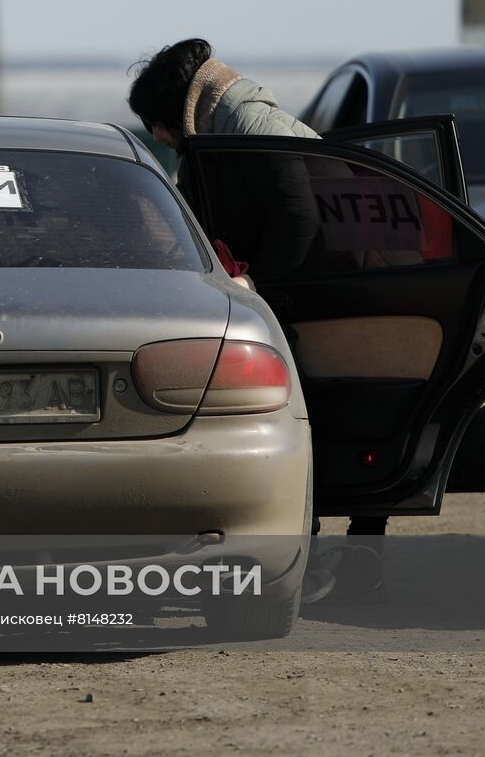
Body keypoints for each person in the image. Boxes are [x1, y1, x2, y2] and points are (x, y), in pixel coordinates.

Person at [128, 38, 386, 603]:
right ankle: (338, 550)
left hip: (324, 285)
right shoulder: (216, 127)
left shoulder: (242, 122)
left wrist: (256, 294)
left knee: (303, 415)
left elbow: (298, 217)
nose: (159, 140)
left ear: (172, 112)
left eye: (156, 126)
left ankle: (333, 551)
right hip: (307, 283)